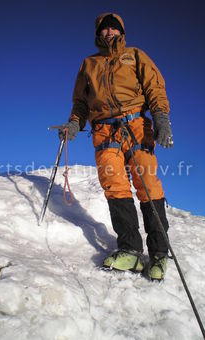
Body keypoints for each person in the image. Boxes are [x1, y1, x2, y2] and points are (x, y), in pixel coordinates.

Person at [59, 13, 173, 280]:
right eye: (105, 28)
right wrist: (74, 123)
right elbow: (80, 103)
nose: (109, 32)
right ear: (99, 33)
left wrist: (161, 119)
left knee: (148, 185)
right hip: (104, 131)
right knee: (115, 187)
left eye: (114, 28)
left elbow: (155, 87)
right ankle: (131, 250)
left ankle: (158, 253)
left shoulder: (135, 55)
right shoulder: (89, 64)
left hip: (136, 126)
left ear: (120, 32)